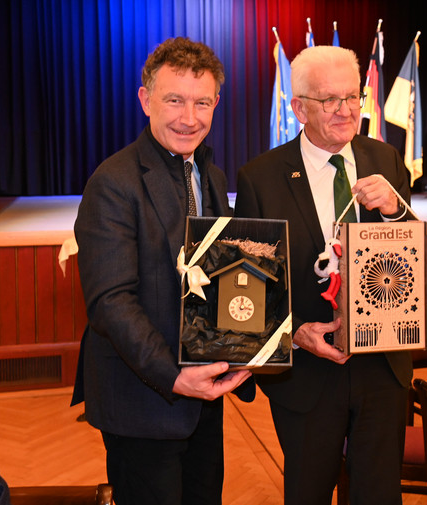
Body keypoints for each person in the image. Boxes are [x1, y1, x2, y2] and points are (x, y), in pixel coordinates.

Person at [71, 37, 253, 505]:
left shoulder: (209, 175)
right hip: (143, 402)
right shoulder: (112, 182)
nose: (189, 118)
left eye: (202, 102)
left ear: (217, 103)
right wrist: (174, 376)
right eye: (174, 100)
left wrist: (247, 340)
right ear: (145, 99)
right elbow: (110, 303)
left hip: (204, 400)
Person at [235, 45, 413, 505]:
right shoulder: (260, 178)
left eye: (352, 96)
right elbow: (250, 287)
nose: (346, 110)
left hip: (381, 366)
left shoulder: (388, 160)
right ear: (298, 108)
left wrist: (395, 212)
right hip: (308, 375)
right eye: (329, 100)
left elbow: (409, 259)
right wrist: (293, 334)